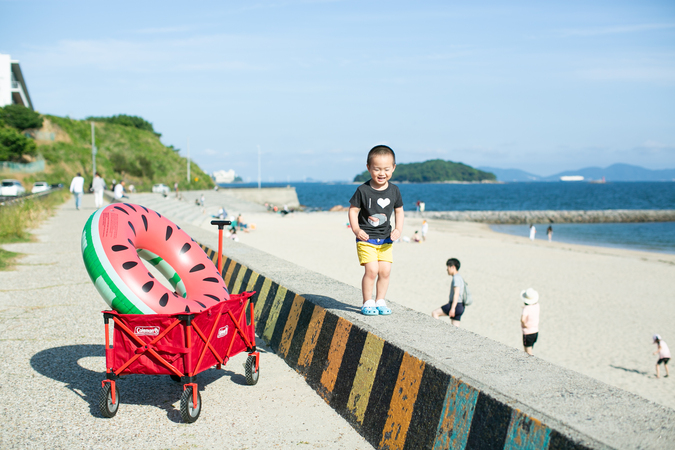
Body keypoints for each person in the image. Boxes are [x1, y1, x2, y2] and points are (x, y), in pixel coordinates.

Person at [348, 145, 404, 316]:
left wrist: (398, 229)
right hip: (366, 239)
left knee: (385, 271)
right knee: (371, 270)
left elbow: (399, 210)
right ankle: (367, 302)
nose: (382, 173)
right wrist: (356, 229)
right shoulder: (363, 190)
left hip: (386, 239)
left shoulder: (394, 190)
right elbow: (353, 210)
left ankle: (380, 300)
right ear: (368, 168)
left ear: (393, 168)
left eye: (386, 169)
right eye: (377, 169)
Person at [432, 258, 465, 327]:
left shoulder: (456, 278)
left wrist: (453, 308)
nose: (447, 270)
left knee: (435, 313)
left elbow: (456, 293)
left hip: (455, 305)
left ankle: (437, 331)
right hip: (460, 306)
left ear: (453, 267)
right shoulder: (460, 277)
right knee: (456, 328)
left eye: (448, 267)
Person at [520, 288, 540, 355]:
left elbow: (522, 319)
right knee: (530, 348)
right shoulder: (537, 306)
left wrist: (524, 324)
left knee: (528, 352)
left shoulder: (526, 309)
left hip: (528, 332)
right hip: (535, 331)